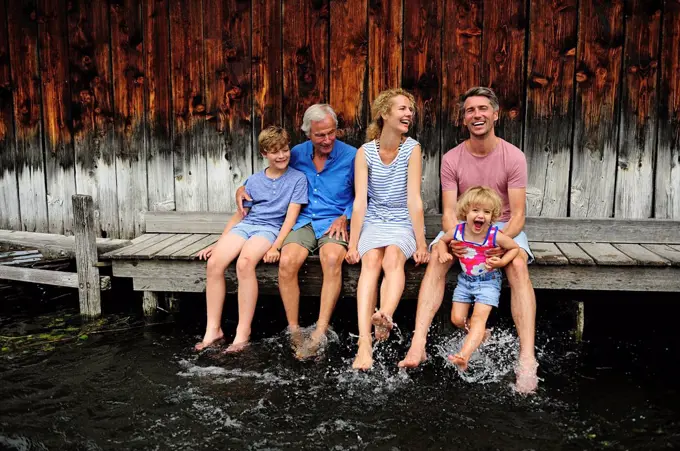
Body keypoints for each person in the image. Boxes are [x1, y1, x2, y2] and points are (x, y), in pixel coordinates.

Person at [398, 86, 539, 394]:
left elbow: (517, 216)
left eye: (483, 109)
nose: (477, 115)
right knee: (438, 256)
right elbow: (449, 213)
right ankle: (418, 343)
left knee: (517, 266)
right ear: (464, 119)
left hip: (501, 229)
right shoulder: (452, 159)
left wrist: (495, 242)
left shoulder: (512, 156)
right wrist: (455, 241)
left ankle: (527, 358)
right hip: (463, 226)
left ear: (495, 114)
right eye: (470, 111)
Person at [236, 104, 356, 358]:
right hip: (302, 221)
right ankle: (294, 330)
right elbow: (269, 174)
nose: (327, 140)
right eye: (320, 135)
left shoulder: (353, 156)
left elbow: (366, 194)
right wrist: (241, 188)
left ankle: (320, 330)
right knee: (287, 261)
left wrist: (346, 215)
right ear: (307, 134)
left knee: (332, 258)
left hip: (335, 220)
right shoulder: (297, 153)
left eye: (331, 133)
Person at [195, 126, 308, 352]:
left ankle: (242, 331)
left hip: (270, 229)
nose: (282, 155)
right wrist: (218, 243)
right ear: (264, 153)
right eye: (275, 152)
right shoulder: (254, 181)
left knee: (245, 263)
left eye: (285, 150)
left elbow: (290, 219)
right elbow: (240, 215)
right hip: (247, 226)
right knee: (215, 262)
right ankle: (213, 329)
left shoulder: (298, 179)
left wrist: (277, 246)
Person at [345, 88, 429, 370]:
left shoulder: (412, 149)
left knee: (393, 257)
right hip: (375, 218)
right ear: (384, 114)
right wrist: (353, 243)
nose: (409, 114)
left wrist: (421, 243)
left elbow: (414, 199)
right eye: (402, 109)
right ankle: (364, 344)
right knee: (370, 261)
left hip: (402, 219)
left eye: (410, 109)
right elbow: (360, 202)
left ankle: (385, 316)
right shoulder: (365, 153)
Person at [437, 186, 519, 371]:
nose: (480, 215)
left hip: (488, 282)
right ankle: (481, 335)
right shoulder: (458, 231)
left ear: (493, 216)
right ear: (465, 212)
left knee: (478, 320)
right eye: (475, 210)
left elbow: (514, 248)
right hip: (465, 281)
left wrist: (501, 262)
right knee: (457, 319)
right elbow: (443, 241)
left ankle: (464, 356)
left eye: (487, 212)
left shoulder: (494, 235)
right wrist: (443, 253)